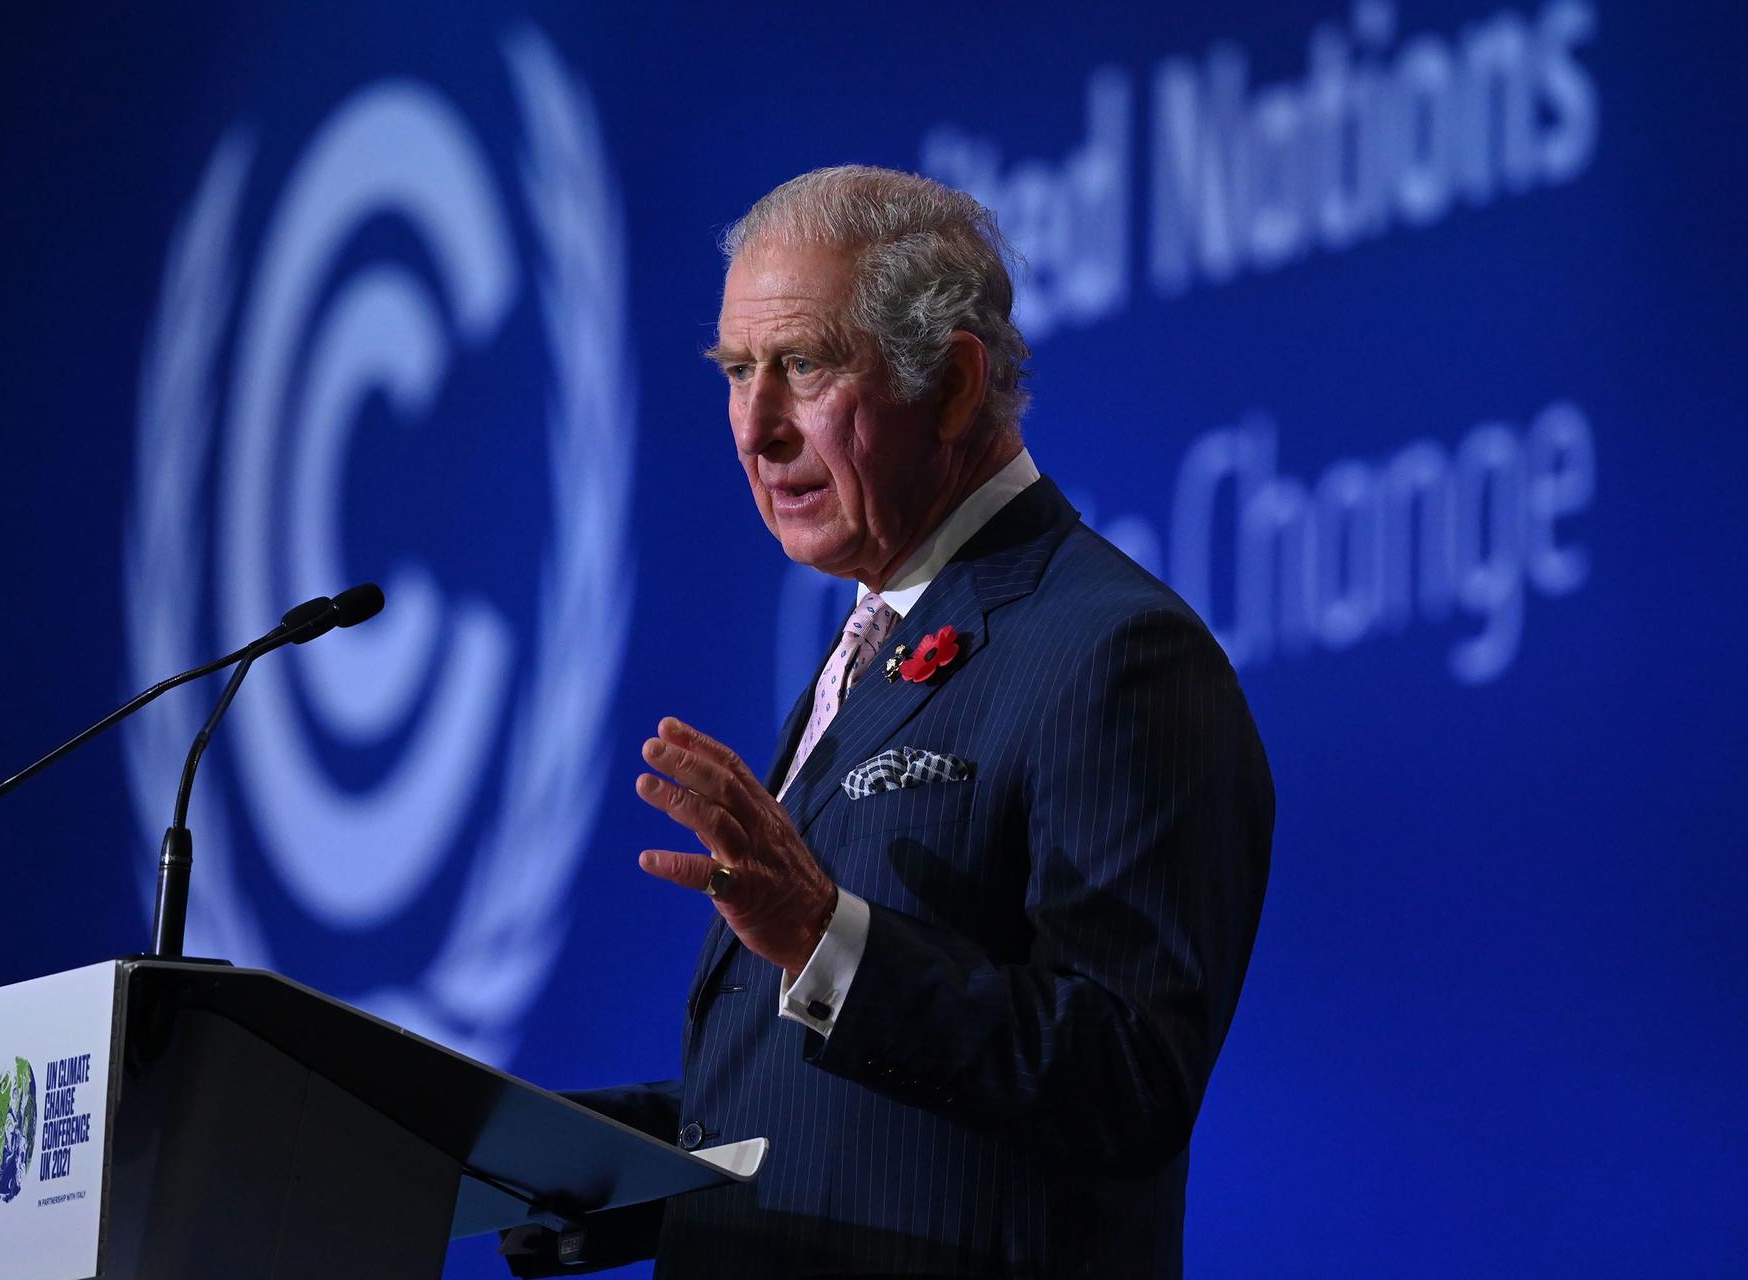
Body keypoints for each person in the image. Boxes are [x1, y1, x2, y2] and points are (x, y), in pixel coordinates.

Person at [515, 165, 1273, 1279]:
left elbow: (1127, 1080)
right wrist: (562, 1159)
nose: (756, 428)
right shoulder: (874, 638)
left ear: (956, 384)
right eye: (737, 371)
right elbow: (858, 1113)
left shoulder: (1115, 654)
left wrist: (828, 935)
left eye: (804, 365)